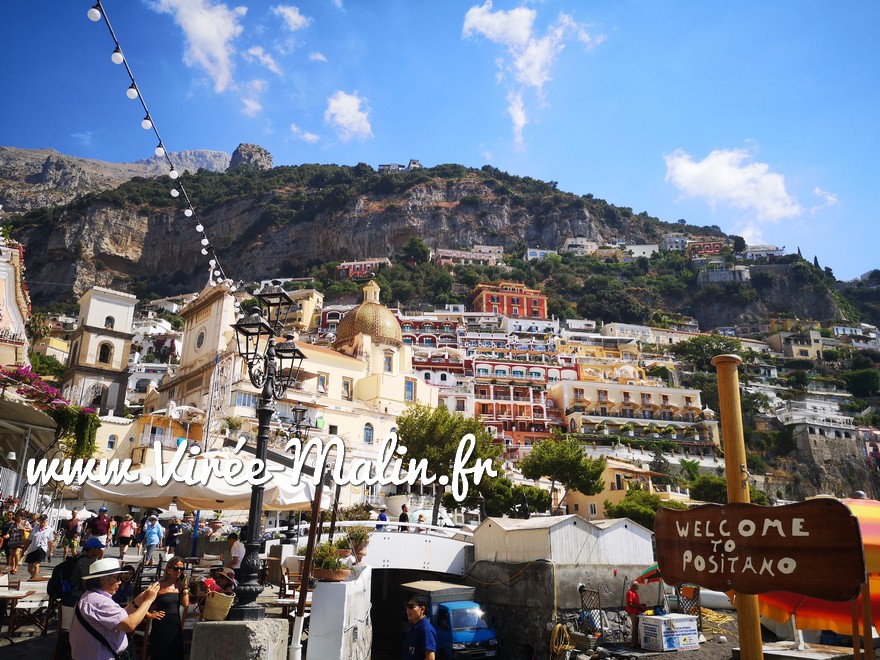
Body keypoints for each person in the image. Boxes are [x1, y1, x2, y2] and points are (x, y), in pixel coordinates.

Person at [69, 557, 163, 660]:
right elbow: (129, 625)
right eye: (118, 577)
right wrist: (148, 600)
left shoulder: (90, 597)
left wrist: (141, 598)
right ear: (103, 580)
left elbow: (120, 616)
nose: (119, 581)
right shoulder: (100, 602)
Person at [149, 556, 189, 660]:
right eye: (176, 568)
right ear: (168, 569)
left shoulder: (180, 587)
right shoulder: (158, 585)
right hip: (161, 625)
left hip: (175, 626)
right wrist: (151, 615)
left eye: (181, 569)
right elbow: (143, 605)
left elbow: (185, 604)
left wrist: (185, 587)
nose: (179, 571)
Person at [63, 536, 106, 606]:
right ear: (92, 549)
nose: (99, 551)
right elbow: (85, 581)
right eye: (98, 548)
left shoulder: (79, 557)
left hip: (73, 593)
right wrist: (89, 597)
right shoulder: (85, 561)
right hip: (77, 596)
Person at [403, 594, 437, 660]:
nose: (408, 610)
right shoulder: (414, 628)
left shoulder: (425, 629)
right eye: (407, 606)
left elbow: (430, 658)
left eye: (411, 607)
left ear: (422, 609)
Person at [24, 515, 54, 579]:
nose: (43, 522)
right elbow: (29, 540)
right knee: (29, 568)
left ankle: (33, 579)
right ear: (39, 521)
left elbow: (50, 542)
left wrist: (50, 552)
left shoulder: (49, 530)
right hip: (33, 548)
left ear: (46, 521)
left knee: (36, 565)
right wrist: (24, 550)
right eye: (41, 520)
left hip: (42, 549)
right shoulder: (35, 528)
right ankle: (34, 576)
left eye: (44, 520)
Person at [625, 581, 647, 648]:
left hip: (636, 611)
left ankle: (636, 642)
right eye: (637, 585)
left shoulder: (635, 592)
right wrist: (639, 606)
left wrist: (640, 606)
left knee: (636, 627)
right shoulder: (630, 593)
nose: (638, 587)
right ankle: (633, 643)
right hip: (633, 612)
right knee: (634, 627)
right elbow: (630, 604)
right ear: (634, 586)